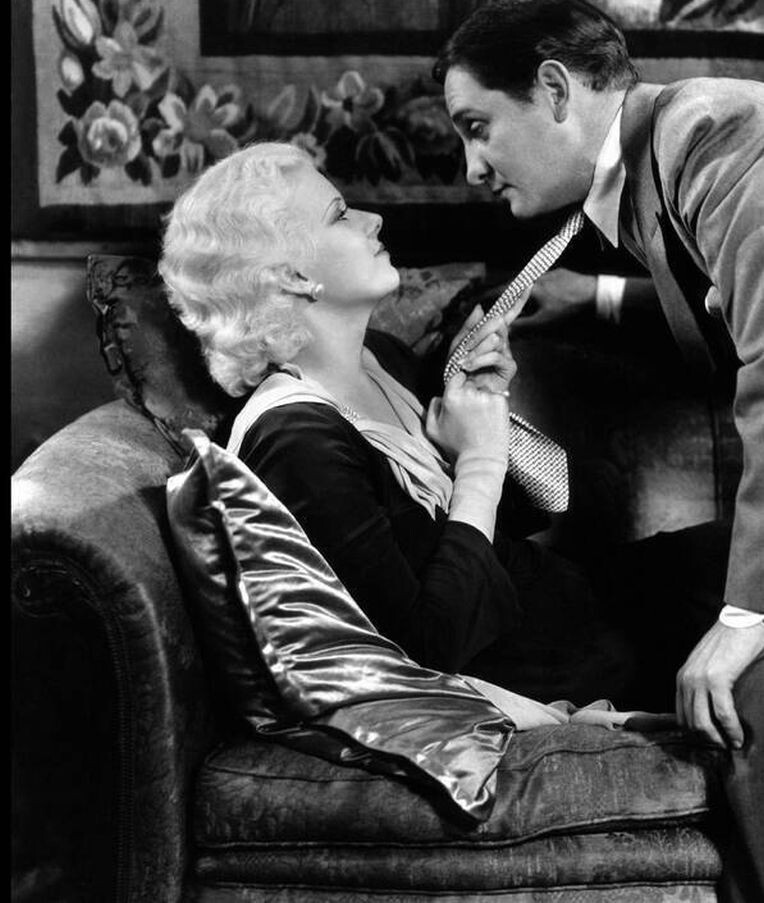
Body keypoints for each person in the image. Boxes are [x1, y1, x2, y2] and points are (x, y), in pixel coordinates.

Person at [434, 1, 763, 897]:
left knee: (742, 691)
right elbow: (733, 293)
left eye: (477, 127)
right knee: (632, 597)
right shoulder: (654, 164)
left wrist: (745, 619)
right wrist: (601, 298)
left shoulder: (712, 136)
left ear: (552, 90)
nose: (471, 168)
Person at [159, 139, 648, 708]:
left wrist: (479, 405)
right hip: (560, 668)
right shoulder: (297, 442)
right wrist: (480, 461)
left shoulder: (383, 359)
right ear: (291, 276)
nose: (373, 219)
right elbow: (425, 649)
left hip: (583, 605)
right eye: (341, 214)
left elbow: (511, 532)